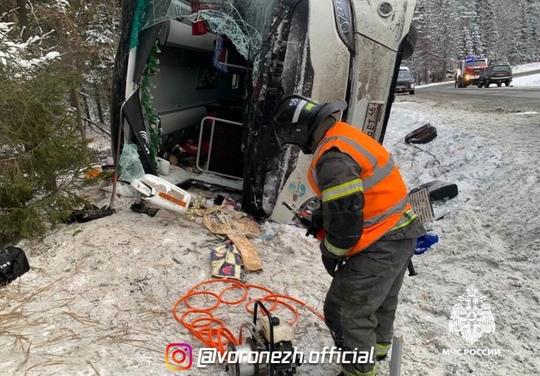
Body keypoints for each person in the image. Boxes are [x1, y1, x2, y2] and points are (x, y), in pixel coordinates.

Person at [273, 94, 425, 376]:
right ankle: (376, 351)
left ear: (301, 132)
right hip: (400, 229)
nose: (301, 149)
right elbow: (355, 196)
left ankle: (359, 371)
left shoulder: (333, 158)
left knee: (345, 309)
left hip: (382, 240)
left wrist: (331, 251)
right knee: (379, 300)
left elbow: (344, 225)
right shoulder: (343, 136)